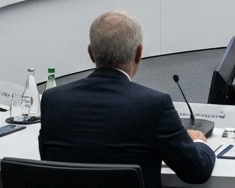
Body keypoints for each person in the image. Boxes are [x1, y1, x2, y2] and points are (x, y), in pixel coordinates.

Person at [38, 11, 215, 186]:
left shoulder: (52, 100)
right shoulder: (155, 105)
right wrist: (198, 141)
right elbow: (197, 171)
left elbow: (49, 160)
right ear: (139, 53)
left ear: (91, 53)